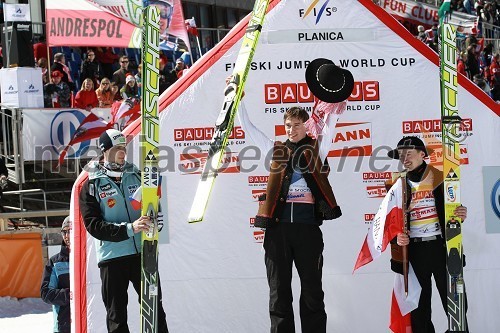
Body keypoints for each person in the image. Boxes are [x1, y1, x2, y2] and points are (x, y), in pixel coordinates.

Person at [244, 58, 353, 333]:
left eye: (295, 124)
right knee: (279, 294)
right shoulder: (275, 149)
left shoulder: (318, 149)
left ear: (306, 125)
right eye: (287, 125)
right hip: (277, 230)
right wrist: (239, 102)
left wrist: (336, 100)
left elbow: (331, 125)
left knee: (313, 293)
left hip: (307, 229)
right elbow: (249, 130)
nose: (290, 129)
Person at [79, 129, 169, 333]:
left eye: (124, 147)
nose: (123, 151)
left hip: (143, 254)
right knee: (117, 316)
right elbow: (94, 226)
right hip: (113, 257)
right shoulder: (91, 184)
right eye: (117, 148)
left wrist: (157, 219)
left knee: (155, 311)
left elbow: (153, 205)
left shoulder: (137, 174)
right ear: (104, 151)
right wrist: (130, 229)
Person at [387, 136, 469, 333]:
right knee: (419, 312)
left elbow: (453, 211)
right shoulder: (396, 184)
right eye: (400, 155)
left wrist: (460, 214)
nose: (404, 158)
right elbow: (389, 222)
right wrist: (397, 236)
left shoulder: (442, 178)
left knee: (456, 307)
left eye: (408, 153)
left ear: (422, 154)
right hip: (414, 252)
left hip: (441, 249)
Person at [40, 216, 71, 333]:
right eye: (64, 231)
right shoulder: (55, 262)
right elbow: (45, 292)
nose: (67, 236)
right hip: (64, 326)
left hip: (90, 323)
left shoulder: (89, 260)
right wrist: (70, 295)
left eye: (70, 231)